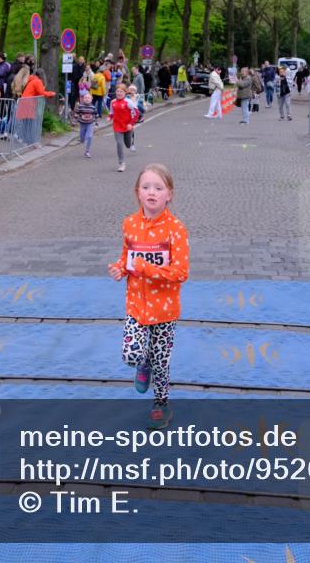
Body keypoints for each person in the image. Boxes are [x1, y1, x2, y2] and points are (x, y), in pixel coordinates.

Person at [107, 164, 189, 429]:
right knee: (131, 354)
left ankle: (161, 403)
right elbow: (126, 257)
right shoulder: (129, 224)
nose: (151, 192)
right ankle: (143, 364)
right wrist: (120, 268)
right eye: (146, 187)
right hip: (136, 307)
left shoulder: (176, 229)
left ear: (169, 195)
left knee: (162, 362)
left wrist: (145, 267)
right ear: (137, 193)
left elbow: (181, 272)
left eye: (158, 188)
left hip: (165, 311)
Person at [17, 67, 55, 145]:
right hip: (29, 103)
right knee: (31, 123)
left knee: (26, 123)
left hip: (24, 102)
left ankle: (24, 140)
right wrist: (51, 93)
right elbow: (41, 92)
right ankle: (31, 141)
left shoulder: (31, 80)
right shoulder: (38, 81)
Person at [108, 82, 138, 172]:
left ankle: (131, 139)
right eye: (117, 91)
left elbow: (136, 113)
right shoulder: (113, 102)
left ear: (125, 93)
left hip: (127, 126)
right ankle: (121, 163)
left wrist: (131, 124)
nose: (119, 93)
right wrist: (109, 117)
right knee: (119, 144)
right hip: (117, 126)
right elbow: (111, 112)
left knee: (128, 145)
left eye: (121, 91)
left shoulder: (128, 102)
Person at [74, 91, 98, 157]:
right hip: (82, 123)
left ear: (91, 99)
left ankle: (87, 151)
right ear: (83, 99)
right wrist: (75, 121)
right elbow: (76, 113)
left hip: (90, 123)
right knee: (82, 138)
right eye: (85, 98)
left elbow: (96, 115)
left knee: (89, 136)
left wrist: (96, 123)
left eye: (88, 98)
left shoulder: (93, 107)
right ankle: (82, 140)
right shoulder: (80, 106)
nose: (87, 99)